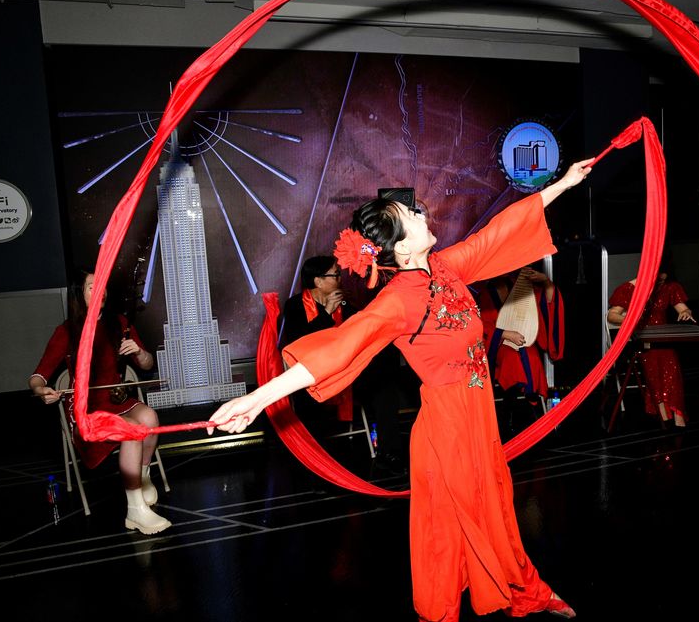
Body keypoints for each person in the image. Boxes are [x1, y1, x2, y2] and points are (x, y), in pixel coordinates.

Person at [208, 159, 595, 621]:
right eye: (409, 217)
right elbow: (339, 348)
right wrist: (257, 399)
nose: (420, 213)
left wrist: (564, 184)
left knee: (495, 509)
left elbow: (499, 232)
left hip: (477, 419)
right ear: (401, 249)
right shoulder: (396, 301)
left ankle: (525, 590)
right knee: (451, 528)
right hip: (447, 431)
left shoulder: (447, 267)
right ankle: (449, 609)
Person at [29, 268, 170, 535]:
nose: (101, 291)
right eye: (92, 287)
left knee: (149, 417)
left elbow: (148, 364)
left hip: (115, 400)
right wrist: (41, 391)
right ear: (78, 295)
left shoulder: (118, 323)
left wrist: (139, 353)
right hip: (85, 407)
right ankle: (135, 510)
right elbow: (37, 376)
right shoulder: (68, 331)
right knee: (130, 430)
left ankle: (141, 477)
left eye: (102, 285)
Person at [281, 255, 407, 474]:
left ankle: (390, 453)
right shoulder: (294, 306)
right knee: (308, 400)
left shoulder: (344, 302)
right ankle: (317, 466)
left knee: (384, 385)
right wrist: (327, 313)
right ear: (318, 281)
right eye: (336, 275)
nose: (340, 279)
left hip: (346, 372)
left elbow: (361, 332)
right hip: (312, 376)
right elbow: (300, 345)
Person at [606, 255, 696, 428]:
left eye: (663, 280)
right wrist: (631, 320)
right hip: (643, 338)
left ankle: (676, 415)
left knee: (672, 367)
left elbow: (682, 307)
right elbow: (612, 315)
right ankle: (665, 415)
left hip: (663, 338)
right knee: (653, 364)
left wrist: (686, 312)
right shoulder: (629, 288)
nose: (661, 283)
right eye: (658, 280)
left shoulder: (669, 287)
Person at [476, 264, 564, 437]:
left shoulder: (520, 285)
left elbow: (548, 301)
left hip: (523, 339)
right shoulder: (483, 292)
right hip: (497, 344)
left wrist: (545, 282)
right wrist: (505, 334)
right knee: (511, 359)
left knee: (531, 357)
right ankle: (510, 411)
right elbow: (478, 324)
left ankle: (532, 404)